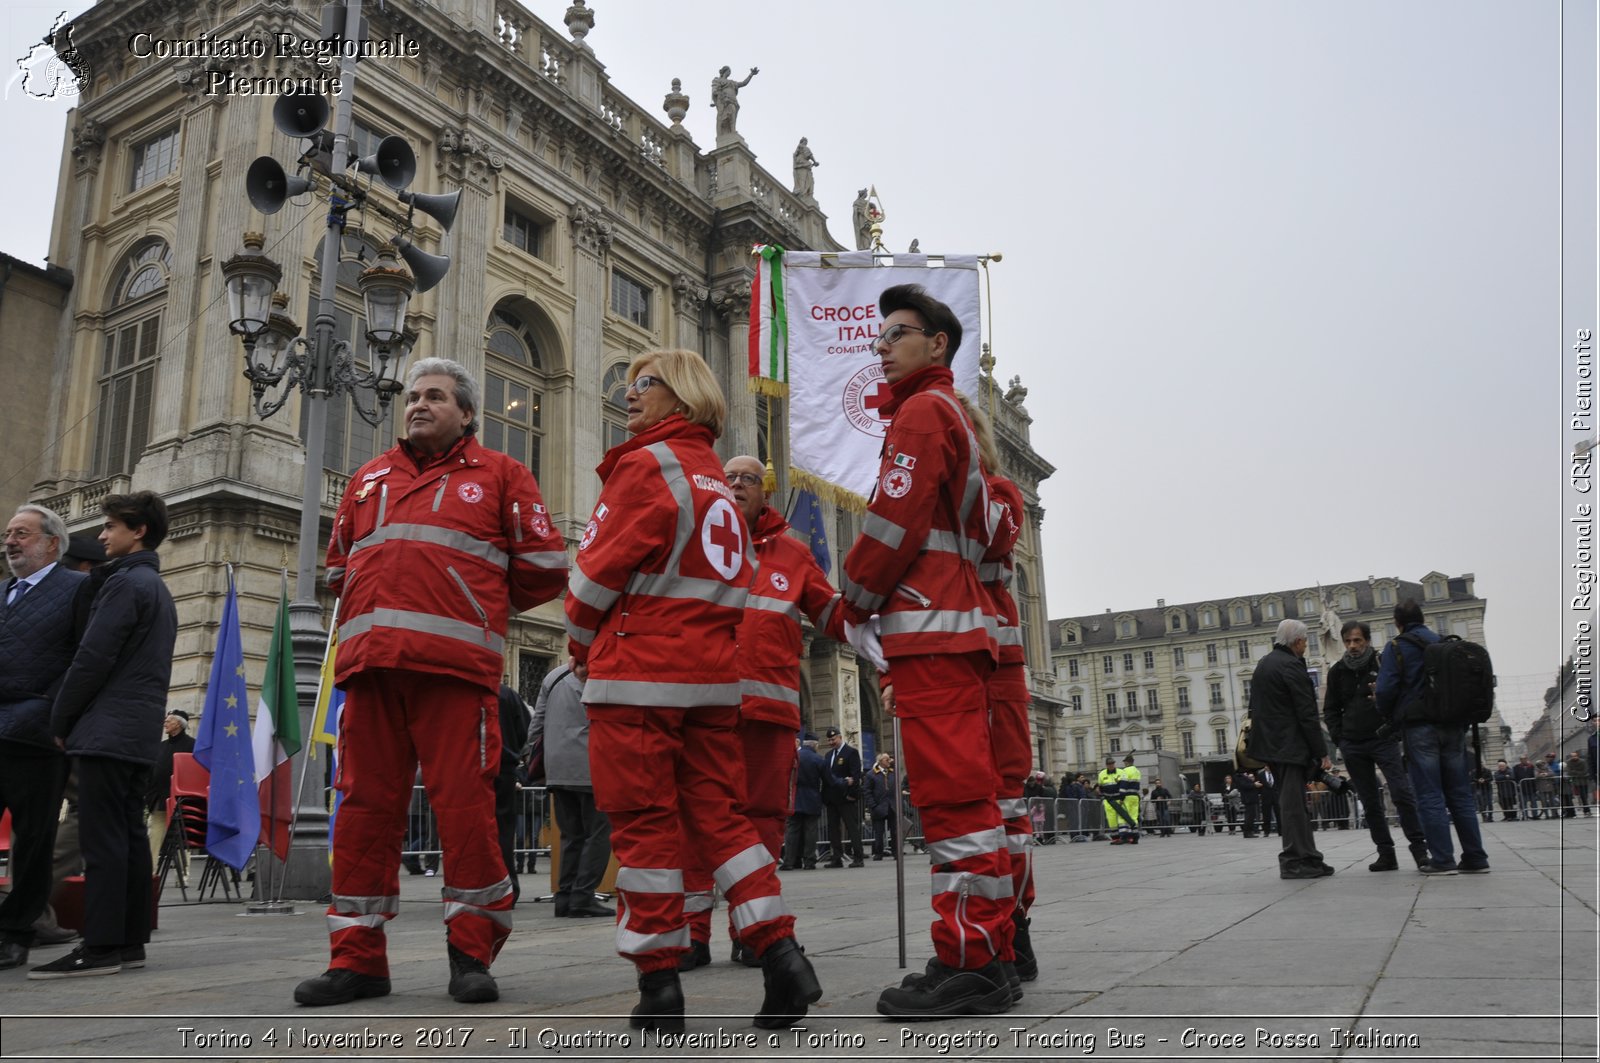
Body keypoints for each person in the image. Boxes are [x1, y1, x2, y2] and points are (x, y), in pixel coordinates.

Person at [295, 357, 569, 1007]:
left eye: (436, 396)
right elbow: (339, 566)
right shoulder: (367, 479)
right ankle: (357, 959)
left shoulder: (503, 474)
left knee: (465, 814)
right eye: (413, 395)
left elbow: (544, 568)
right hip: (369, 670)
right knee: (361, 812)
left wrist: (475, 603)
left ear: (467, 413)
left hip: (455, 673)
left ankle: (471, 953)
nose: (418, 404)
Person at [564, 349, 820, 1032]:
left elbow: (592, 577)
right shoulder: (715, 479)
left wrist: (580, 641)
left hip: (638, 676)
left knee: (647, 827)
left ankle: (658, 983)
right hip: (711, 682)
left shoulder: (645, 466)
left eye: (641, 384)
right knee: (725, 822)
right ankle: (780, 952)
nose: (628, 396)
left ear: (677, 395)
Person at [839, 284, 1014, 1018]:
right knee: (958, 799)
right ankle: (971, 949)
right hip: (947, 625)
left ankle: (974, 956)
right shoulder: (945, 414)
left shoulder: (921, 413)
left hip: (932, 625)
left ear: (937, 344)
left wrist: (852, 595)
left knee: (955, 801)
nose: (880, 346)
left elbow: (893, 524)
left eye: (895, 334)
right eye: (877, 337)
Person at [695, 451, 844, 967]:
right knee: (696, 819)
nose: (736, 484)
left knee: (762, 823)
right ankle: (690, 934)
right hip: (702, 708)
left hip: (770, 717)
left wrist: (879, 610)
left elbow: (834, 616)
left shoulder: (794, 555)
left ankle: (751, 931)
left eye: (747, 479)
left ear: (766, 491)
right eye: (727, 477)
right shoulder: (692, 539)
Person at [32, 491, 177, 979]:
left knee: (103, 839)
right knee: (130, 837)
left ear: (138, 532)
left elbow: (92, 658)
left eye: (112, 526)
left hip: (107, 728)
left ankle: (98, 947)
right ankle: (128, 941)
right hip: (136, 732)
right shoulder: (156, 586)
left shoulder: (124, 585)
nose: (102, 535)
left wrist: (60, 720)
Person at [0, 504, 86, 972]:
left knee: (33, 841)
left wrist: (54, 714)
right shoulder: (2, 593)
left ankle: (16, 933)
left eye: (22, 534)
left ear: (52, 543)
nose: (10, 541)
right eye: (8, 534)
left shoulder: (77, 589)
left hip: (37, 736)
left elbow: (82, 659)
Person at [1375, 599, 1489, 875]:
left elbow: (1385, 689)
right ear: (1423, 618)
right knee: (1460, 793)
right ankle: (1475, 857)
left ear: (1397, 623)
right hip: (1452, 726)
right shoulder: (1444, 643)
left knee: (1429, 794)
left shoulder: (1396, 647)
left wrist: (1388, 713)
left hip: (1419, 727)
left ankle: (1442, 859)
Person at [1323, 620, 1430, 871]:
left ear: (1368, 641)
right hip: (1353, 743)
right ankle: (1386, 853)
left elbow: (1401, 697)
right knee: (1370, 801)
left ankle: (1420, 850)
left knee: (1402, 793)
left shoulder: (1383, 664)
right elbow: (1330, 709)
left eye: (1357, 640)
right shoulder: (1337, 671)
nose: (1352, 646)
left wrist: (1391, 722)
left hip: (1383, 739)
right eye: (1348, 641)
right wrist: (1340, 738)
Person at [1245, 619, 1334, 881]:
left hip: (1272, 746)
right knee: (1294, 805)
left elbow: (1256, 708)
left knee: (1293, 802)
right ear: (1297, 641)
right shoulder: (1291, 666)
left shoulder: (1265, 663)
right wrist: (1321, 751)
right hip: (1290, 745)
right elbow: (1307, 713)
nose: (1306, 646)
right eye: (1306, 641)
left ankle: (1309, 858)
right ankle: (1295, 860)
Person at [531, 665, 613, 919]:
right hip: (592, 765)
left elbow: (538, 722)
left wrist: (531, 756)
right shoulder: (603, 672)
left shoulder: (553, 676)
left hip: (557, 766)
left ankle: (564, 897)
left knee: (570, 835)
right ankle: (583, 897)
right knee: (598, 834)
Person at [493, 684, 533, 904]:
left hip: (465, 769)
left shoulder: (459, 690)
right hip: (502, 768)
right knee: (503, 832)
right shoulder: (506, 694)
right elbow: (524, 729)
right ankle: (508, 888)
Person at [144, 709, 193, 863]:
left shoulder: (193, 745)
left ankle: (184, 873)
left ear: (178, 724)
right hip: (159, 796)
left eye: (169, 720)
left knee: (182, 834)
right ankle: (150, 869)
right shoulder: (160, 746)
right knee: (155, 833)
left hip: (181, 798)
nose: (165, 722)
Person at [820, 727, 864, 868]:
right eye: (829, 740)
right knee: (833, 829)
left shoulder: (851, 752)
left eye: (833, 739)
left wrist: (852, 794)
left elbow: (856, 776)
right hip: (832, 799)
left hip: (846, 798)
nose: (831, 742)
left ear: (840, 737)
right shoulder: (828, 755)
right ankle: (836, 858)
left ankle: (858, 857)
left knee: (852, 828)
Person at [782, 735, 824, 870]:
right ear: (815, 745)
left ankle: (790, 861)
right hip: (812, 799)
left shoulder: (793, 757)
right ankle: (809, 861)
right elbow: (829, 779)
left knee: (792, 832)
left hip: (794, 799)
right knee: (810, 831)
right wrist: (843, 782)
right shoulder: (817, 758)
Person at [710, 65, 758, 136]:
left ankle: (732, 130)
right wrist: (718, 97)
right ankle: (729, 131)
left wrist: (751, 75)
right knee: (727, 114)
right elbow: (714, 90)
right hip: (724, 100)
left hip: (733, 100)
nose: (729, 72)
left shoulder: (732, 82)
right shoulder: (718, 80)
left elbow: (743, 83)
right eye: (729, 71)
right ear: (725, 71)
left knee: (733, 114)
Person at [867, 753, 897, 860]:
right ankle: (878, 853)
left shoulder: (893, 773)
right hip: (878, 807)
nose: (889, 761)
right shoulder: (871, 774)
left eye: (889, 759)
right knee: (879, 832)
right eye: (886, 759)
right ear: (880, 761)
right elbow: (867, 791)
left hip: (892, 806)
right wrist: (873, 806)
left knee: (895, 831)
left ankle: (896, 852)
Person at [1116, 754, 1141, 844]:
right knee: (1133, 817)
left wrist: (1121, 798)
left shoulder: (1125, 771)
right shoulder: (1137, 771)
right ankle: (1135, 836)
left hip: (1127, 796)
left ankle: (1124, 837)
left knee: (1123, 816)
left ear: (1127, 762)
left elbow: (1123, 786)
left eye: (1124, 762)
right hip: (1135, 796)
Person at [1511, 754, 1538, 820]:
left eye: (1525, 759)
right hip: (1522, 788)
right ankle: (1525, 815)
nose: (1524, 760)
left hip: (1531, 788)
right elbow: (1514, 777)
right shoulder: (1516, 767)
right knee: (1523, 803)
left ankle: (1535, 815)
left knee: (1533, 802)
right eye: (1522, 759)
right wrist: (1517, 785)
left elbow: (1534, 776)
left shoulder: (1531, 766)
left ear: (1527, 759)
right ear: (1520, 760)